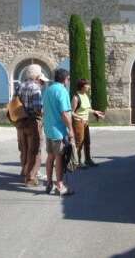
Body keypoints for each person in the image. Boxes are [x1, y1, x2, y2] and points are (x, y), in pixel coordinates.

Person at [43, 68, 75, 196]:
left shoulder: (48, 90)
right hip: (59, 131)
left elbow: (44, 109)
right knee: (59, 158)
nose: (68, 81)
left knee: (50, 157)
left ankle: (49, 183)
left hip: (49, 129)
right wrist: (71, 130)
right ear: (65, 79)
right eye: (68, 79)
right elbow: (64, 113)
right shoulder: (62, 91)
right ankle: (60, 185)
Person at [17, 64, 49, 186]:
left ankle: (24, 170)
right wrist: (44, 113)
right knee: (35, 150)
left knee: (24, 148)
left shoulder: (20, 86)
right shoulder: (35, 88)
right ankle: (31, 177)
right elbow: (37, 108)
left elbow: (15, 103)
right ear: (36, 76)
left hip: (20, 121)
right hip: (32, 121)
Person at [71, 79, 105, 168]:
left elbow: (87, 109)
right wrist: (80, 117)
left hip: (85, 122)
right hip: (78, 122)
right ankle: (78, 162)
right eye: (87, 85)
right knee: (79, 142)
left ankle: (88, 160)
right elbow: (71, 112)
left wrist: (95, 111)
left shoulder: (85, 95)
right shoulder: (76, 97)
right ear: (82, 86)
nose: (89, 86)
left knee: (87, 142)